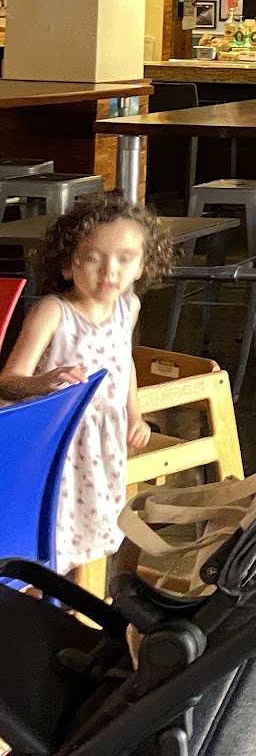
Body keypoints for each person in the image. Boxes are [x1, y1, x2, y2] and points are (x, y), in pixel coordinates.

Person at [0, 193, 169, 578]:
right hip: (54, 441)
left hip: (101, 442)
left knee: (88, 531)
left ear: (143, 264)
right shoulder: (52, 313)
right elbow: (7, 382)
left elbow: (123, 361)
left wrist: (134, 415)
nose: (110, 272)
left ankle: (74, 602)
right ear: (67, 264)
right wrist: (43, 383)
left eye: (125, 258)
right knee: (48, 536)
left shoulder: (128, 307)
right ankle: (38, 595)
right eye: (93, 258)